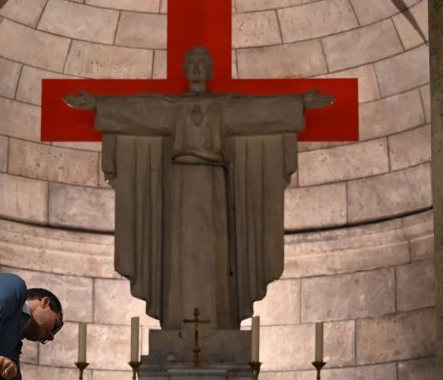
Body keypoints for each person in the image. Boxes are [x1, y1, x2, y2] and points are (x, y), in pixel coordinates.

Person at [64, 46, 333, 330]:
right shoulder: (171, 106)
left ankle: (220, 317)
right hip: (180, 183)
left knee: (215, 252)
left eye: (202, 62)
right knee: (179, 252)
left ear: (210, 70)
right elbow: (138, 111)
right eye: (191, 62)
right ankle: (177, 317)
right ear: (184, 68)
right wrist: (98, 104)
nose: (196, 67)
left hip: (213, 180)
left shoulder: (224, 105)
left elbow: (258, 111)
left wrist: (299, 102)